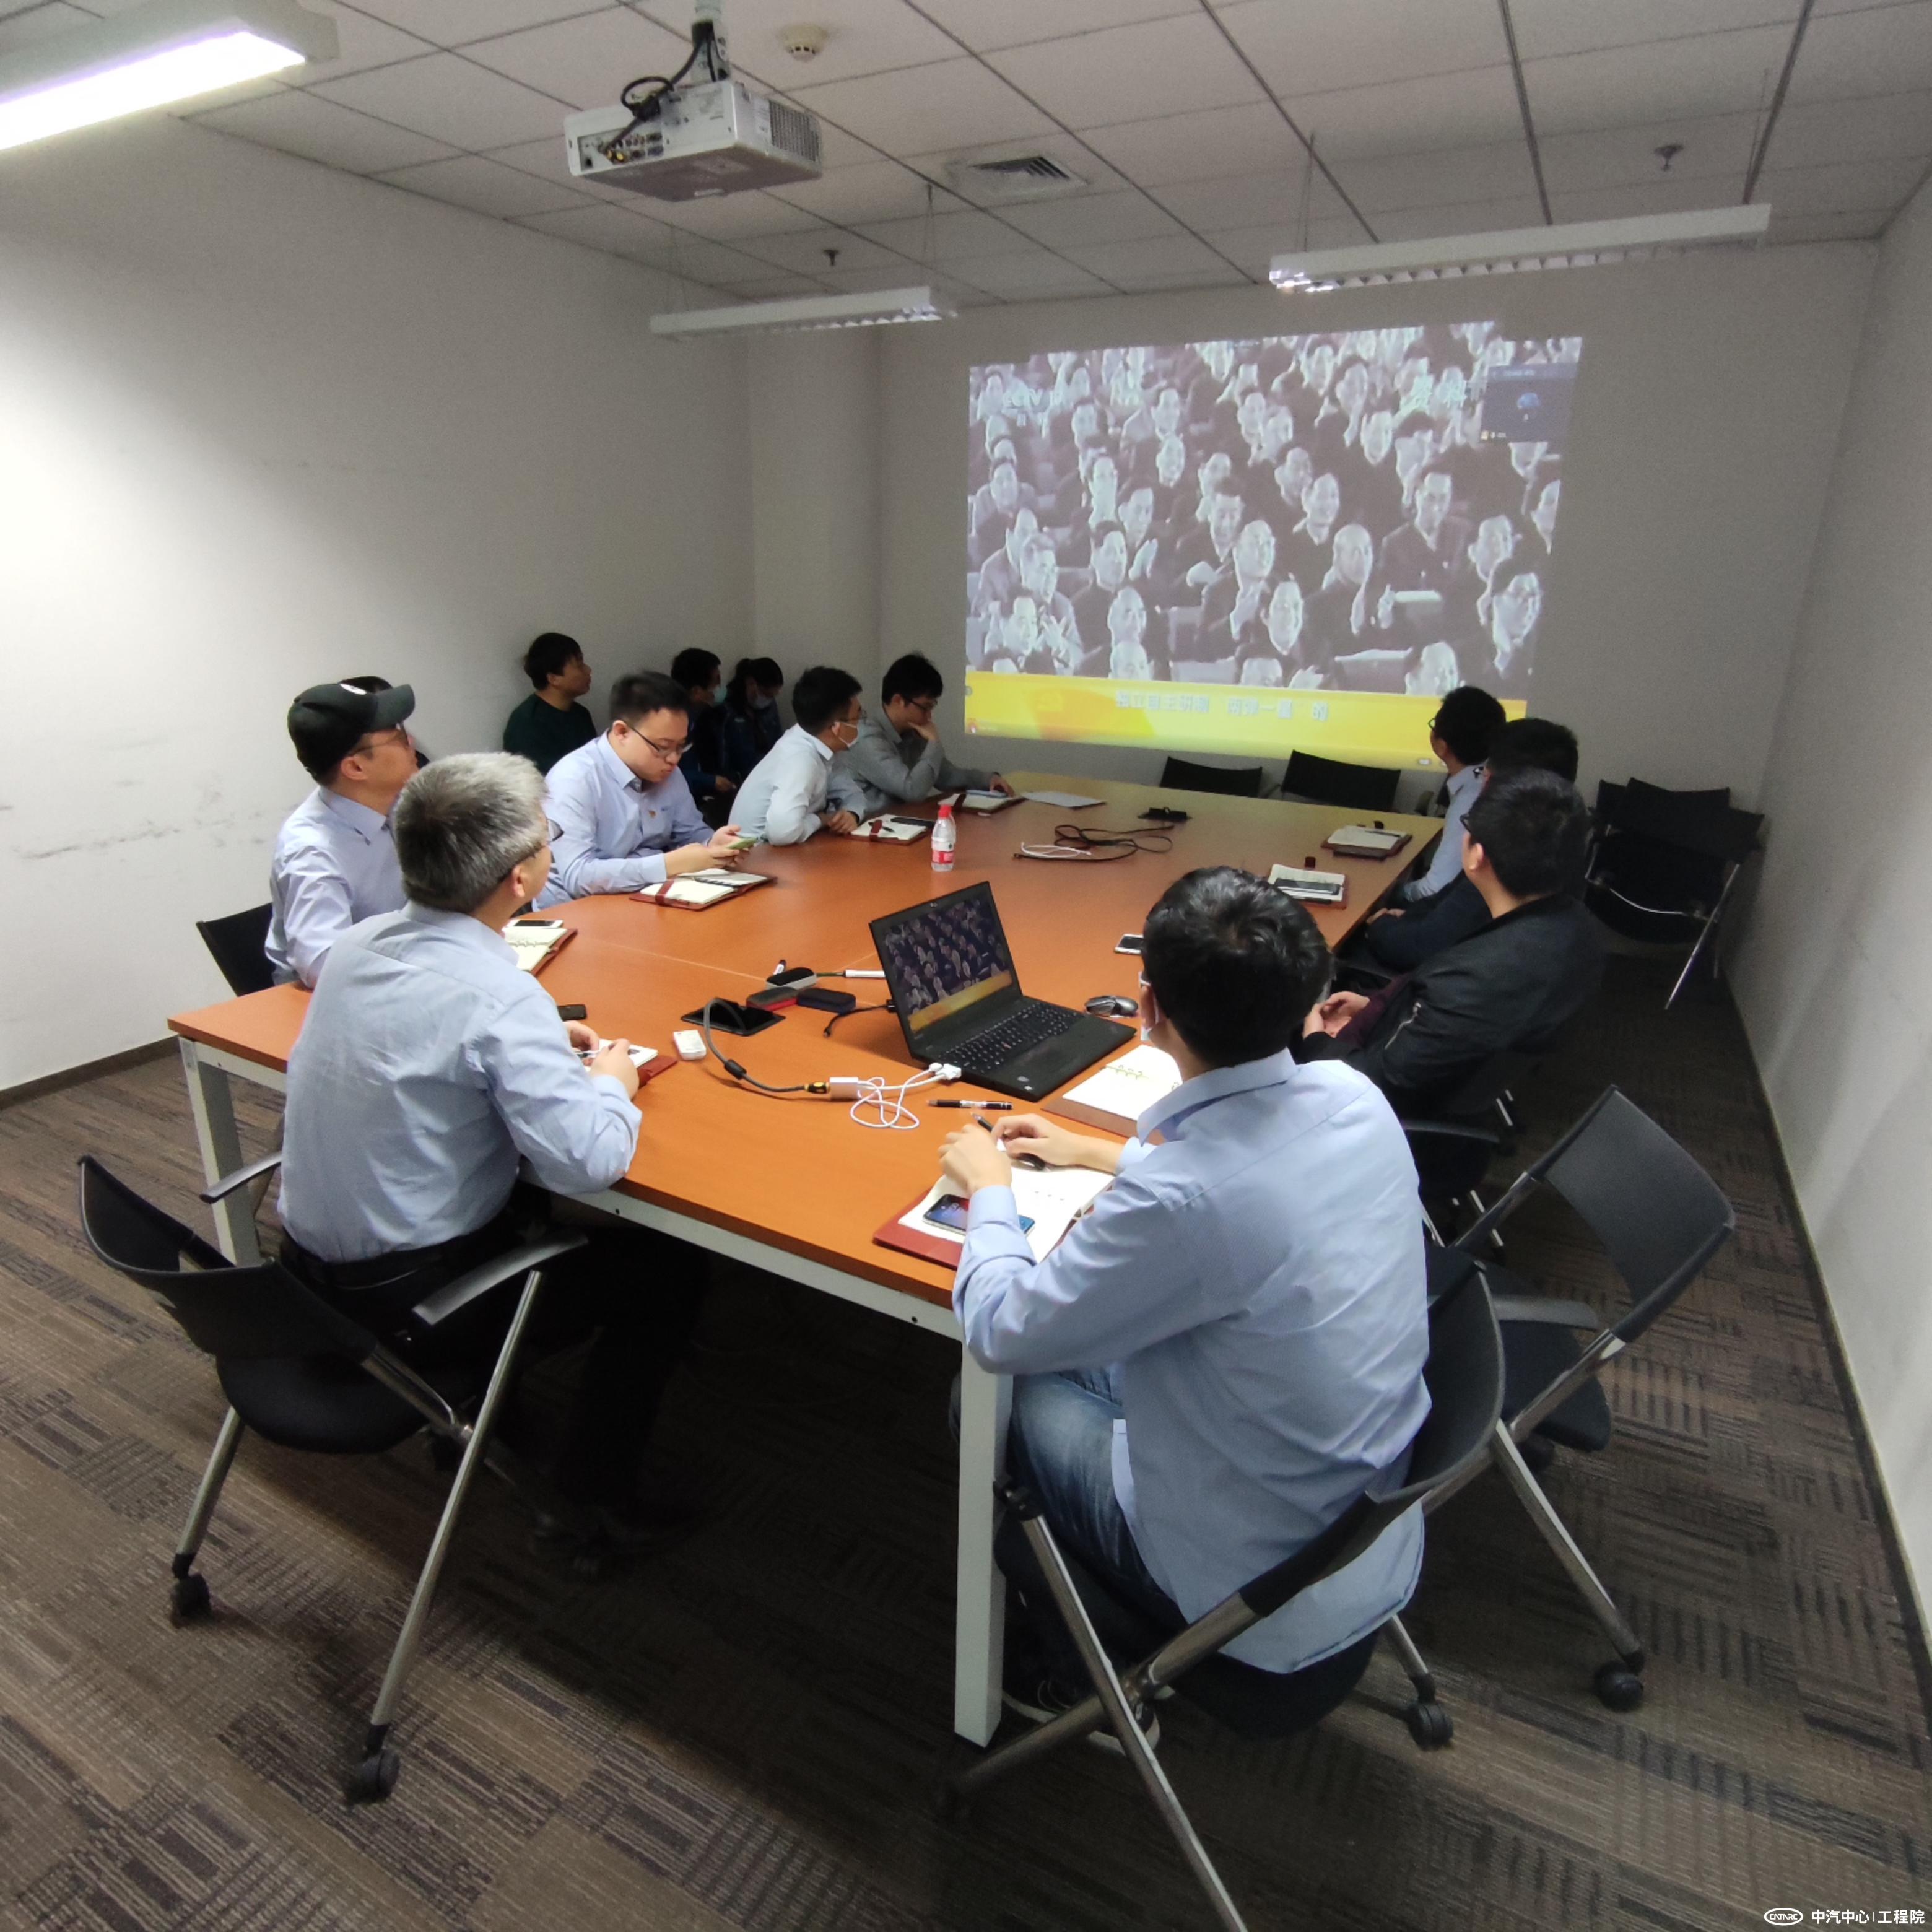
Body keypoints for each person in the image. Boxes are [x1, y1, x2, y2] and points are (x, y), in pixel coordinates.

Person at [938, 866, 1429, 1720]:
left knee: (985, 1395)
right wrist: (1099, 1153)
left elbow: (1001, 1328)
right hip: (1359, 1525)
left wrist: (989, 1190)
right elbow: (1253, 1176)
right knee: (1080, 1354)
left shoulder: (1185, 1203)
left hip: (1253, 1583)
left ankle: (1065, 1668)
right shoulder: (1353, 1096)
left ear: (1148, 1006)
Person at [276, 753, 703, 1554]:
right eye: (548, 840)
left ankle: (491, 1417)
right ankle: (591, 1501)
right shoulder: (500, 995)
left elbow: (426, 1042)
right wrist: (612, 1083)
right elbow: (590, 1163)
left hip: (301, 1280)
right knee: (666, 1270)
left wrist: (538, 1038)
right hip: (413, 1305)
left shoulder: (358, 948)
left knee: (519, 1191)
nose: (552, 849)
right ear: (521, 878)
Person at [1302, 766, 1604, 1114]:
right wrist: (1379, 1009)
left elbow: (1377, 1084)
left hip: (1382, 1113)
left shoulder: (1472, 979)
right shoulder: (1579, 928)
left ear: (1477, 855)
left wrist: (1315, 1043)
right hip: (1451, 1077)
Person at [1360, 718, 1580, 973]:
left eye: (1485, 773)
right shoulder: (1559, 848)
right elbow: (1447, 899)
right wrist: (1408, 917)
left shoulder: (1504, 861)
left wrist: (1381, 925)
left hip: (1424, 970)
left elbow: (1419, 948)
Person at [536, 671, 744, 907]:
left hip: (647, 899)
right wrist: (668, 864)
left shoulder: (669, 773)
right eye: (663, 747)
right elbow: (579, 876)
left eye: (681, 746)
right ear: (622, 732)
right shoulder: (575, 779)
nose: (674, 759)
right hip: (577, 912)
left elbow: (689, 834)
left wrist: (713, 847)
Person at [265, 679, 416, 988]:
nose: (411, 742)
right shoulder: (312, 851)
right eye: (399, 737)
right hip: (341, 997)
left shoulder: (397, 802)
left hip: (408, 966)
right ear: (356, 768)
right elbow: (322, 964)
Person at [841, 653, 1011, 816]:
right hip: (868, 829)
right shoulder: (867, 738)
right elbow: (911, 791)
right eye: (925, 708)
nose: (929, 716)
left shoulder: (912, 732)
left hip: (902, 823)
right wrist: (934, 743)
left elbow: (946, 776)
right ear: (899, 701)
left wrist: (988, 779)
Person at [731, 664, 868, 845]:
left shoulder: (822, 747)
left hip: (785, 849)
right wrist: (821, 819)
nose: (861, 723)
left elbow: (853, 795)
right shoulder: (800, 758)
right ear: (836, 727)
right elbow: (782, 833)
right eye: (858, 717)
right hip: (755, 854)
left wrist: (851, 814)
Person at [1398, 685, 1506, 903]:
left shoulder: (1471, 799)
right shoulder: (1491, 781)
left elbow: (1435, 889)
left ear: (1441, 746)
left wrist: (1395, 893)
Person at [503, 633, 596, 775]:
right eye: (579, 664)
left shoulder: (580, 714)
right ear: (553, 679)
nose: (588, 670)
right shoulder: (527, 723)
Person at [669, 646, 736, 805]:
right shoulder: (673, 726)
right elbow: (667, 776)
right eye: (716, 683)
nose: (720, 689)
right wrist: (709, 781)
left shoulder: (709, 716)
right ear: (696, 692)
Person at [718, 657, 785, 782]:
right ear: (751, 683)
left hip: (769, 774)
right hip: (738, 780)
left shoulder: (769, 706)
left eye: (772, 696)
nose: (768, 700)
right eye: (766, 695)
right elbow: (722, 758)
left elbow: (778, 742)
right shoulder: (726, 710)